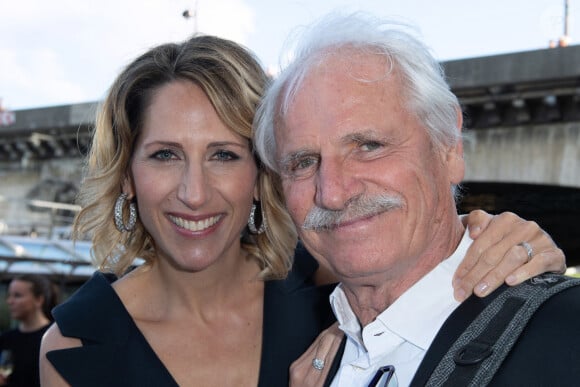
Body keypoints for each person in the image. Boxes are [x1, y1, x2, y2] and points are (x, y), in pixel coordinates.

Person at [39, 34, 565, 387]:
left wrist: (507, 245)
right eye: (164, 155)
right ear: (127, 176)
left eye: (225, 155)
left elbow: (432, 258)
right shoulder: (75, 345)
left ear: (263, 172)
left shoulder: (337, 292)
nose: (193, 193)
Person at [253, 12, 578, 386]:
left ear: (448, 148)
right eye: (304, 162)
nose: (333, 192)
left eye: (368, 146)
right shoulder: (308, 360)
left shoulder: (565, 338)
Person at [0, 274, 58, 387]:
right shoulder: (6, 338)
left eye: (17, 296)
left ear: (39, 300)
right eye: (9, 295)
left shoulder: (54, 337)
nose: (9, 301)